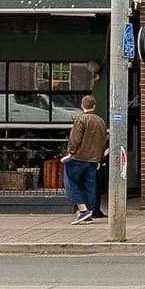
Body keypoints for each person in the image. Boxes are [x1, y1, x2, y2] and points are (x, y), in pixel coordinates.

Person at [62, 95, 107, 225]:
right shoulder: (101, 121)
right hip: (93, 160)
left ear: (82, 106)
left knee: (70, 181)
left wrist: (70, 153)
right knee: (90, 185)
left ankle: (82, 210)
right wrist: (99, 159)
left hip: (78, 157)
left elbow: (75, 139)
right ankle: (90, 211)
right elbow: (102, 142)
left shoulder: (81, 119)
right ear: (94, 106)